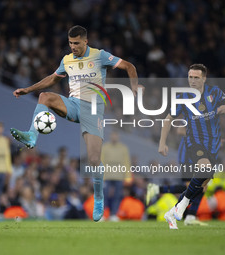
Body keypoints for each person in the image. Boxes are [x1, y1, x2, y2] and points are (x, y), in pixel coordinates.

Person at [10, 25, 141, 221]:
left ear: (85, 41)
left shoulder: (99, 56)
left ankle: (98, 198)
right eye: (70, 43)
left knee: (95, 159)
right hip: (73, 104)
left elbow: (129, 66)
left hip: (93, 109)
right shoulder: (67, 59)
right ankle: (32, 135)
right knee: (45, 97)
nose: (73, 47)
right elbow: (53, 78)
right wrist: (28, 90)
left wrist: (134, 87)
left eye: (77, 43)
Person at [158, 64, 225, 229]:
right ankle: (181, 209)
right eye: (190, 77)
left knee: (202, 186)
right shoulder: (183, 97)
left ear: (204, 78)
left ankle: (173, 211)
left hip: (213, 146)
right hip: (194, 143)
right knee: (203, 170)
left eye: (196, 77)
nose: (192, 80)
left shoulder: (215, 93)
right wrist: (162, 143)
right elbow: (168, 118)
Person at [147, 128, 207, 226]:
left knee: (202, 187)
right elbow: (179, 130)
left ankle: (188, 216)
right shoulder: (192, 119)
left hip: (197, 158)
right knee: (194, 187)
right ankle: (178, 213)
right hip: (188, 159)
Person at [101, 130, 132, 221]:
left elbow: (126, 162)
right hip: (107, 175)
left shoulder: (123, 148)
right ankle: (103, 214)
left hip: (119, 175)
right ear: (110, 136)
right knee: (104, 195)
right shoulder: (105, 147)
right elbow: (101, 161)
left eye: (116, 135)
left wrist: (128, 176)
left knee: (117, 196)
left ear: (118, 136)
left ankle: (114, 214)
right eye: (112, 135)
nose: (114, 137)